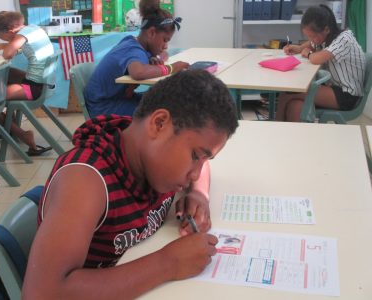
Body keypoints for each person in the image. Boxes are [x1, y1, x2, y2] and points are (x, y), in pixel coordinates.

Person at [22, 69, 239, 299]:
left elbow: (202, 168)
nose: (195, 173)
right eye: (195, 155)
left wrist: (198, 195)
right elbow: (41, 293)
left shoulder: (147, 150)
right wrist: (168, 263)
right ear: (159, 124)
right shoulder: (86, 179)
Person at [84, 0, 189, 118]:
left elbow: (164, 54)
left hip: (116, 99)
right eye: (165, 40)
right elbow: (138, 73)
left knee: (163, 102)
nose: (165, 46)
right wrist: (172, 67)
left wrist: (154, 59)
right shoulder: (133, 49)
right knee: (163, 112)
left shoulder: (135, 43)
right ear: (151, 33)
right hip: (105, 107)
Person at [276, 4, 366, 122]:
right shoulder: (325, 37)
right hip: (333, 89)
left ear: (326, 29)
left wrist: (308, 54)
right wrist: (298, 48)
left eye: (313, 36)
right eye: (308, 36)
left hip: (346, 96)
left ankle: (274, 127)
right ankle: (291, 137)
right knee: (295, 105)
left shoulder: (344, 39)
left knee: (287, 94)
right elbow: (311, 44)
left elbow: (316, 58)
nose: (311, 40)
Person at [0, 11, 54, 156]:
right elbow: (17, 47)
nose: (9, 40)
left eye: (7, 38)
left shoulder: (22, 35)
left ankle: (23, 134)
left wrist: (7, 47)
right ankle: (4, 105)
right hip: (43, 82)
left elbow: (9, 54)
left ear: (11, 30)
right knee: (7, 73)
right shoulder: (33, 29)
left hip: (34, 88)